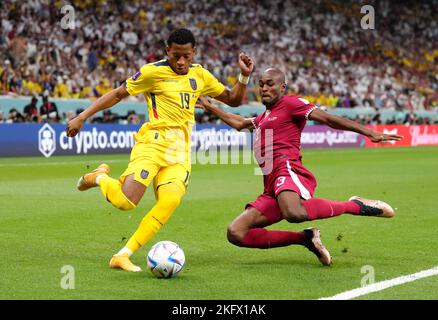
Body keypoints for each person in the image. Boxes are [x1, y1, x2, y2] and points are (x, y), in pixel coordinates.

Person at [66, 28, 254, 272]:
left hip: (180, 151)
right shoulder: (151, 72)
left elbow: (233, 100)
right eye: (176, 55)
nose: (181, 61)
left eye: (186, 56)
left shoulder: (201, 75)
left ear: (194, 52)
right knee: (125, 202)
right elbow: (117, 94)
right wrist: (82, 116)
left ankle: (123, 255)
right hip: (153, 143)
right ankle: (99, 177)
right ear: (168, 51)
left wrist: (243, 76)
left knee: (170, 200)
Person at [197, 67, 402, 266]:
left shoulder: (291, 103)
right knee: (236, 233)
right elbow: (239, 122)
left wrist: (369, 133)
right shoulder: (263, 117)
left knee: (294, 212)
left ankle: (355, 205)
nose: (264, 88)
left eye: (270, 84)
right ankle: (305, 238)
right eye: (261, 85)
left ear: (283, 87)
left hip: (286, 169)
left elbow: (329, 119)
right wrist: (211, 107)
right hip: (270, 184)